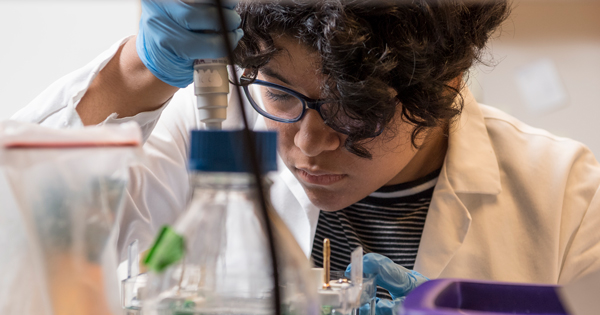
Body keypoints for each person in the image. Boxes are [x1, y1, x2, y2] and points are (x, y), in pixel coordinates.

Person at [12, 0, 600, 313]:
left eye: (357, 111)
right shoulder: (208, 126)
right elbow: (26, 233)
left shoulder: (567, 197)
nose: (310, 143)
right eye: (279, 92)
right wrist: (136, 69)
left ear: (445, 88)